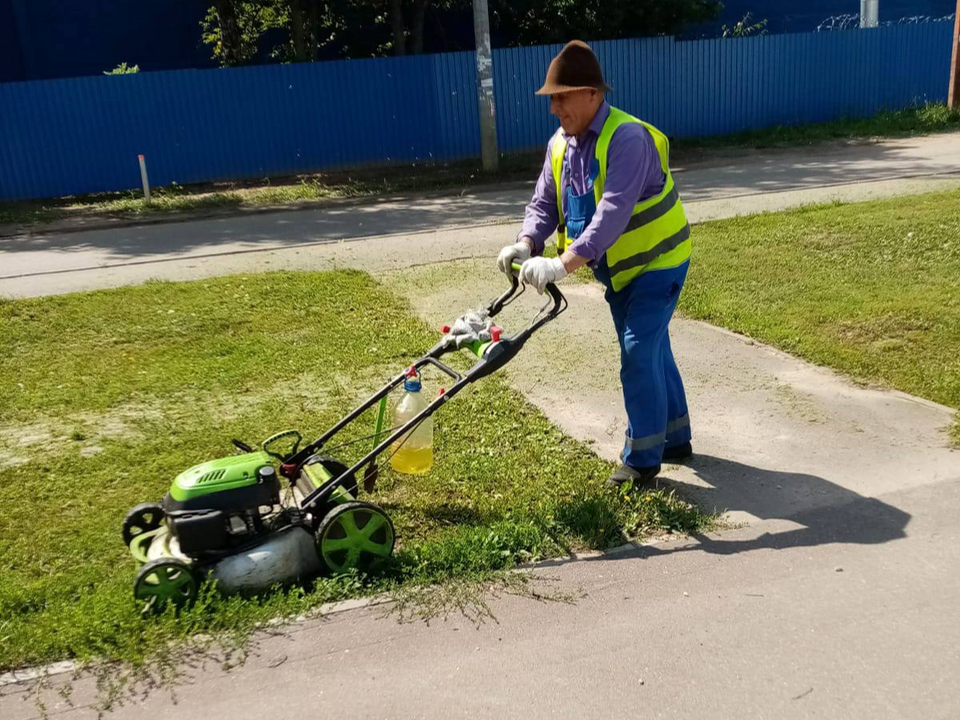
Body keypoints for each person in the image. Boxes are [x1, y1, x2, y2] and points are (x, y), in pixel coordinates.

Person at [497, 40, 693, 489]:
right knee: (651, 346)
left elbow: (612, 213)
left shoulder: (627, 139)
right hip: (619, 268)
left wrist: (560, 265)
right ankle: (676, 436)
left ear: (592, 93)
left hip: (659, 262)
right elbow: (543, 203)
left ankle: (642, 459)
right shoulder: (560, 146)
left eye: (561, 97)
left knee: (638, 349)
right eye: (552, 99)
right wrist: (526, 244)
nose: (554, 108)